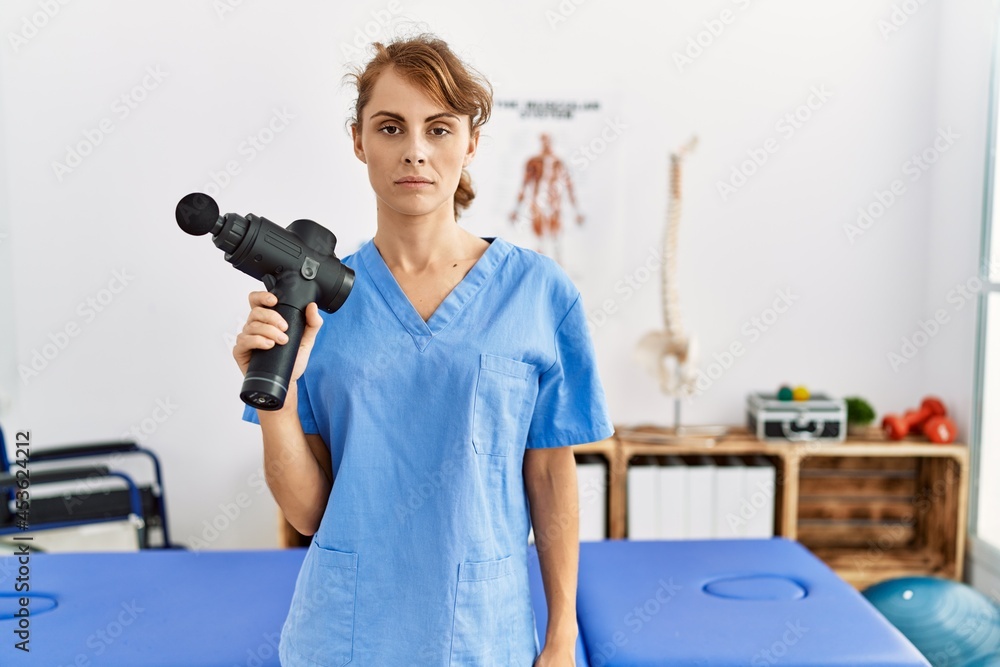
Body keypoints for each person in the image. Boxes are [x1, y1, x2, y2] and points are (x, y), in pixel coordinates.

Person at [235, 34, 613, 667]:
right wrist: (275, 398)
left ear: (470, 143)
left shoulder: (537, 292)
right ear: (358, 140)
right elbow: (307, 513)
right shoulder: (313, 301)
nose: (415, 151)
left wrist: (562, 634)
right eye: (391, 127)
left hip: (483, 634)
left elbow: (550, 476)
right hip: (344, 634)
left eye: (438, 129)